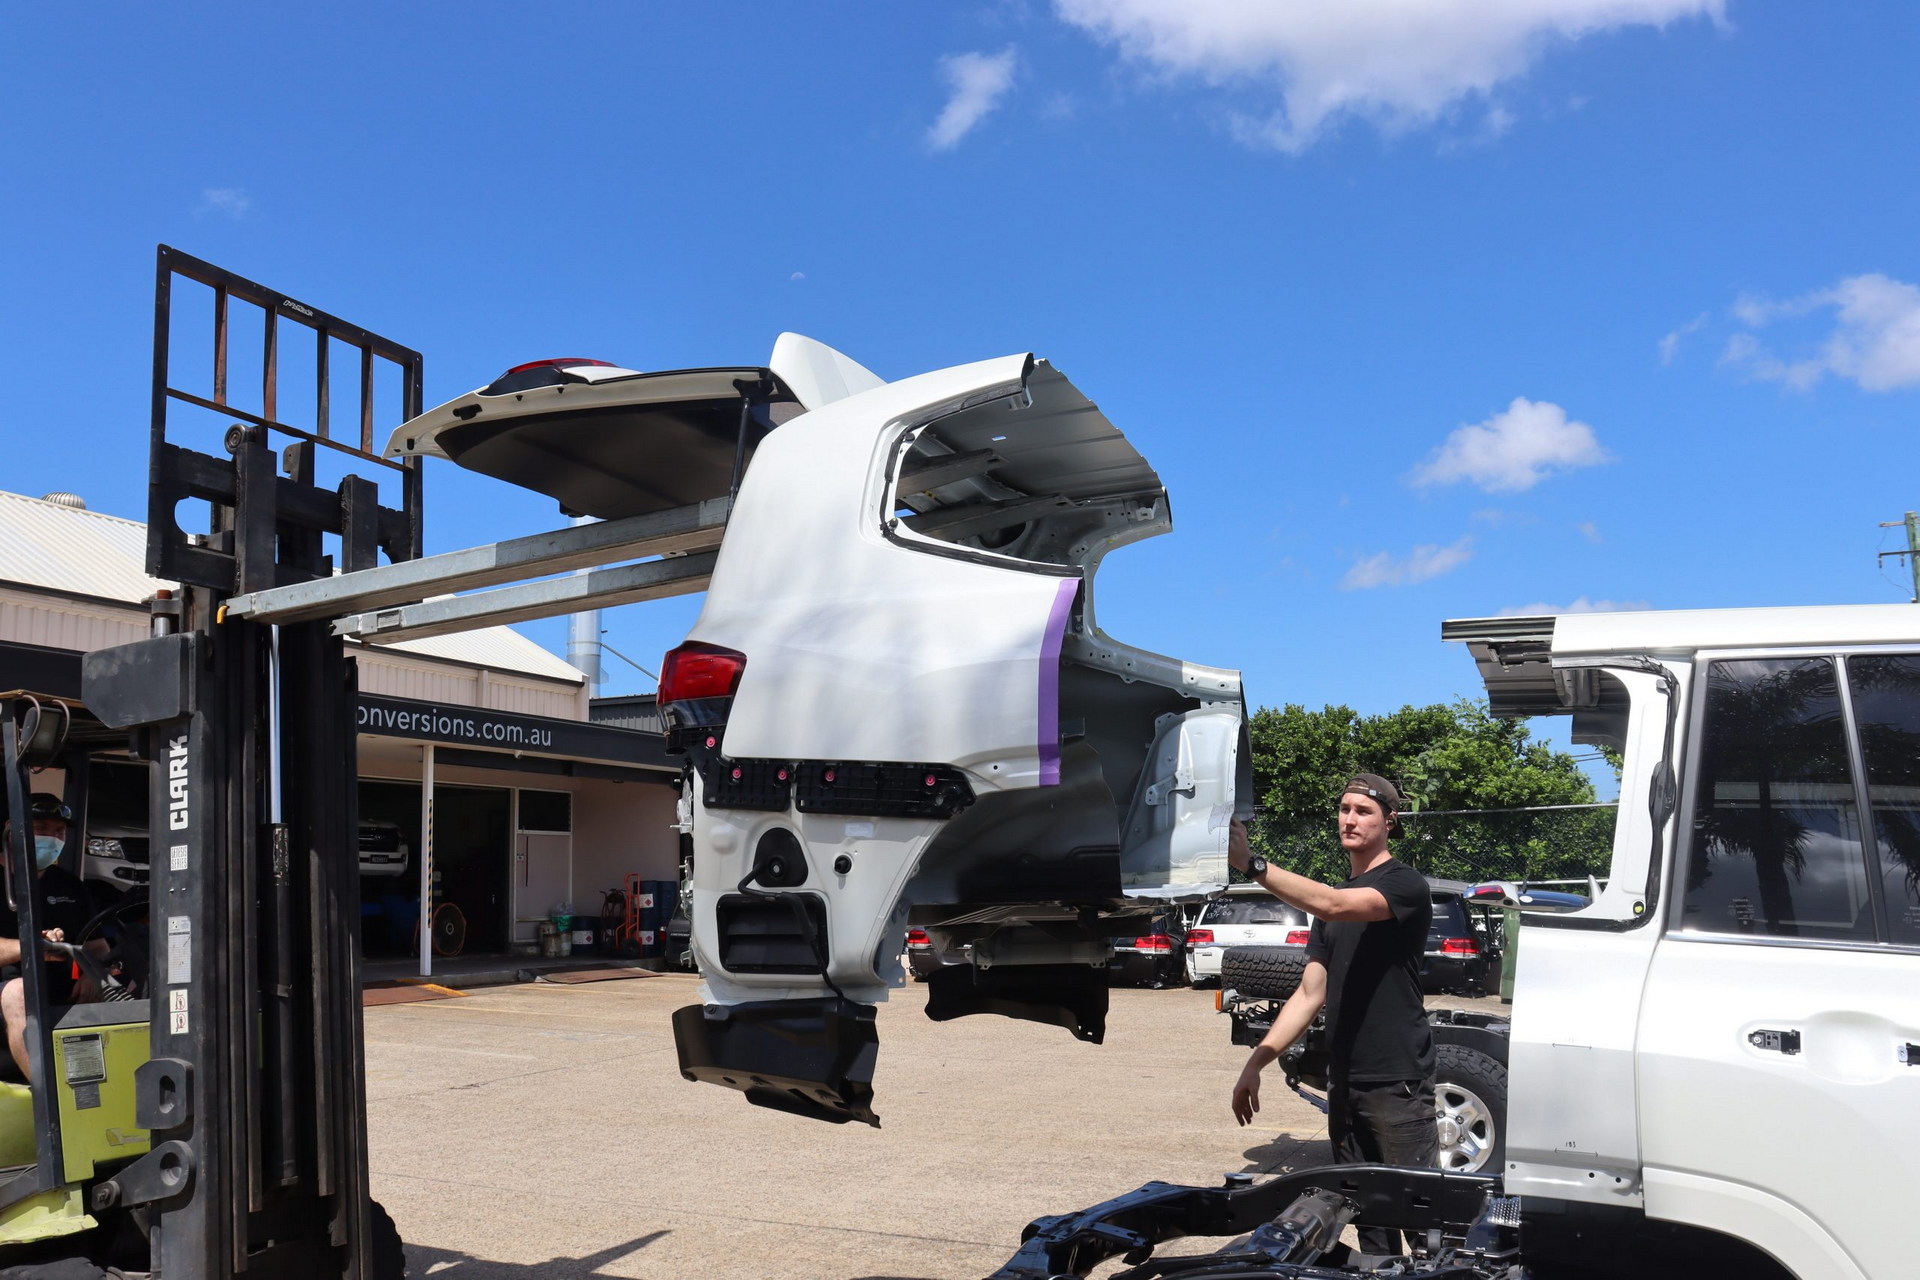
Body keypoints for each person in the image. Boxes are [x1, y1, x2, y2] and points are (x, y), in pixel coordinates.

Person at [1227, 774, 1435, 1258]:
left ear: (1390, 820)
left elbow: (1336, 903)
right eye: (1344, 809)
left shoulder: (1404, 884)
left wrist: (1252, 864)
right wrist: (1256, 1061)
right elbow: (1309, 993)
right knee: (1366, 1217)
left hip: (1396, 1081)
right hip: (1345, 1082)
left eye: (1363, 811)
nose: (1350, 819)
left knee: (1423, 1219)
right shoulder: (1329, 908)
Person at [0, 794, 97, 1077]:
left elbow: (98, 947)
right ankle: (50, 1101)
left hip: (61, 986)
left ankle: (97, 1093)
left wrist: (90, 973)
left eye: (59, 832)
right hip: (9, 989)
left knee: (119, 989)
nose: (52, 838)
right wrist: (32, 947)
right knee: (19, 991)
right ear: (11, 828)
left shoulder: (71, 886)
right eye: (41, 828)